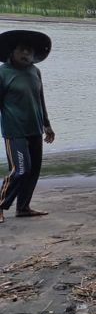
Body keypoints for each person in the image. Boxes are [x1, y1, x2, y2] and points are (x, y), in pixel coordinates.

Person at [0, 30, 55, 224]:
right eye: (22, 50)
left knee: (33, 171)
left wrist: (47, 124)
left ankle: (23, 207)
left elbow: (40, 99)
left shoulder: (35, 71)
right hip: (14, 132)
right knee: (21, 169)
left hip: (35, 129)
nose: (26, 55)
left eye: (30, 51)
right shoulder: (3, 73)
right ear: (12, 52)